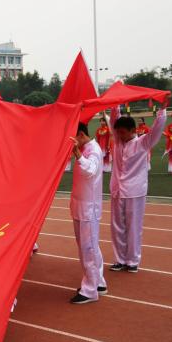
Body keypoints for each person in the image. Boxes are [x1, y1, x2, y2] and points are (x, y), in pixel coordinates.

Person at [107, 103, 167, 273]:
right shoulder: (118, 141)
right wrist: (116, 103)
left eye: (123, 132)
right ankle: (120, 259)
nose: (119, 135)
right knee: (117, 227)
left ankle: (132, 260)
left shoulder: (143, 142)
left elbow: (157, 129)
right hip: (117, 190)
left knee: (134, 227)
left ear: (133, 130)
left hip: (135, 191)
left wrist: (162, 109)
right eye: (118, 132)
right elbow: (114, 119)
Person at [68, 123, 107, 304]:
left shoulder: (94, 150)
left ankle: (90, 290)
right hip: (80, 206)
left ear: (81, 134)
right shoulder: (85, 148)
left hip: (88, 208)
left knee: (88, 249)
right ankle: (98, 282)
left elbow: (90, 171)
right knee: (89, 247)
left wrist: (77, 153)